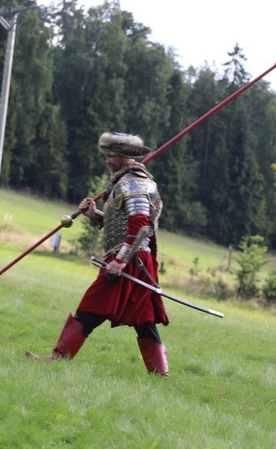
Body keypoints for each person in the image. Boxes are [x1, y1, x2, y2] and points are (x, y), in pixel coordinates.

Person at [26, 132, 169, 375]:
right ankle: (159, 372)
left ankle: (59, 358)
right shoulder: (126, 182)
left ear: (124, 156)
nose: (106, 160)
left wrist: (120, 261)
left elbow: (141, 226)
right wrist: (95, 214)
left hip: (130, 261)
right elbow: (122, 224)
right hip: (134, 258)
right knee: (143, 318)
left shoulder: (134, 183)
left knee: (91, 307)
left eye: (110, 155)